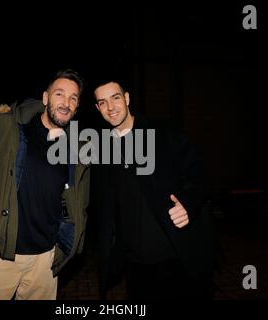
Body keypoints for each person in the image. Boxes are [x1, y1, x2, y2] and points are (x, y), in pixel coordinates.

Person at [0, 69, 90, 300]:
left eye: (73, 98)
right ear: (45, 98)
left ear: (76, 107)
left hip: (45, 262)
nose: (66, 103)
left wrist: (66, 242)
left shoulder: (76, 150)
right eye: (60, 94)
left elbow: (74, 201)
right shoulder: (7, 128)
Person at [90, 78, 216, 300]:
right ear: (97, 108)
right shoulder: (101, 151)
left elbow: (199, 174)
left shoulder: (163, 133)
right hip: (134, 265)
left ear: (127, 98)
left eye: (115, 98)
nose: (110, 107)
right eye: (102, 102)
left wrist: (188, 202)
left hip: (174, 257)